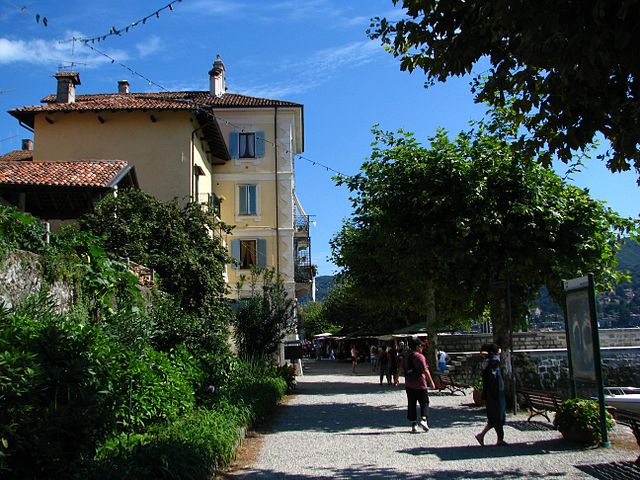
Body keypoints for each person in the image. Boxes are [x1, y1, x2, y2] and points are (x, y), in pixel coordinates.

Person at [475, 343, 507, 446]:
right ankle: (498, 439)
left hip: (491, 393)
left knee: (495, 417)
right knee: (498, 416)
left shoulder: (487, 362)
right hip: (496, 393)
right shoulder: (494, 362)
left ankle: (483, 435)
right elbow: (494, 378)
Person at [403, 337, 436, 433]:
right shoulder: (420, 356)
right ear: (417, 347)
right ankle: (424, 420)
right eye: (421, 346)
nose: (422, 347)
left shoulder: (406, 356)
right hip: (420, 384)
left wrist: (396, 379)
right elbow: (425, 370)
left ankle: (414, 424)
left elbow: (401, 368)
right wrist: (432, 382)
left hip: (409, 384)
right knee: (424, 402)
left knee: (411, 403)